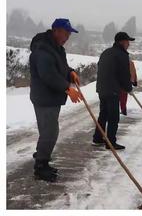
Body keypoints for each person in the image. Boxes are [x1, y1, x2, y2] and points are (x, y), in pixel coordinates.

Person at [29, 18, 83, 182]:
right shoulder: (43, 50)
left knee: (47, 130)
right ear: (56, 31)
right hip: (44, 97)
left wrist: (71, 72)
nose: (67, 37)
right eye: (66, 33)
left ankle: (41, 154)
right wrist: (67, 87)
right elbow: (48, 75)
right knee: (50, 132)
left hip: (51, 97)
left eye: (69, 34)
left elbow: (60, 67)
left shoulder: (57, 49)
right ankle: (40, 166)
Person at [92, 32, 134, 150]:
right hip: (112, 90)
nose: (128, 44)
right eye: (127, 41)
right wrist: (128, 88)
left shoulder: (106, 52)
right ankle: (111, 142)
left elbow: (101, 68)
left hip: (102, 88)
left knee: (103, 114)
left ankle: (98, 138)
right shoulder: (122, 55)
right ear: (121, 42)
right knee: (113, 117)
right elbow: (124, 74)